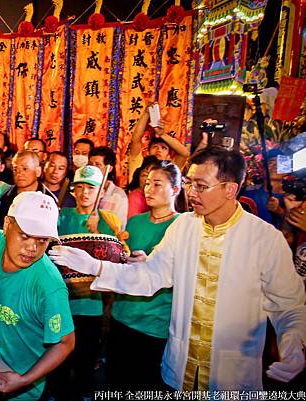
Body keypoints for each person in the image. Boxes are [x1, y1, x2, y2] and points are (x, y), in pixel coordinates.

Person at [49, 147, 306, 391]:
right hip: (180, 369)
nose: (192, 193)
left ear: (230, 189)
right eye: (189, 183)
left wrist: (294, 344)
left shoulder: (264, 239)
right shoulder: (184, 226)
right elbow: (150, 275)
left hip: (232, 375)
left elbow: (289, 305)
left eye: (201, 186)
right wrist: (94, 266)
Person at [0, 192, 75, 400]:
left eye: (42, 240)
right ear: (7, 225)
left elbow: (66, 342)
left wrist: (25, 379)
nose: (32, 248)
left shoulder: (49, 286)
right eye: (25, 236)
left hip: (17, 384)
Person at [106, 160, 187, 390]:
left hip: (154, 322)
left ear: (175, 189)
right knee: (115, 382)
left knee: (144, 385)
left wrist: (152, 263)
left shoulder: (183, 225)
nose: (149, 189)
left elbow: (183, 271)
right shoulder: (135, 222)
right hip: (122, 315)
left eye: (157, 184)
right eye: (148, 183)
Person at [50, 165, 120, 400]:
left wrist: (99, 229)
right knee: (58, 359)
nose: (85, 193)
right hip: (61, 301)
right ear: (73, 191)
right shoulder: (61, 216)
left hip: (91, 304)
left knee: (85, 358)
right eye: (79, 187)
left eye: (90, 188)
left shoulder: (109, 222)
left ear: (99, 193)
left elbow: (117, 261)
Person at [128, 104, 189, 184]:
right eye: (155, 146)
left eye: (164, 148)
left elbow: (185, 153)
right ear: (148, 152)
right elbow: (135, 139)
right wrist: (146, 113)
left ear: (168, 155)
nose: (159, 150)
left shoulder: (171, 169)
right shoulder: (139, 163)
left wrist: (162, 134)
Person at [0, 151, 57, 229]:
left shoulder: (48, 199)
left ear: (38, 171)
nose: (19, 173)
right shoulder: (6, 196)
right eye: (15, 169)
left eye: (25, 169)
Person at [89, 146, 128, 228]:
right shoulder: (83, 189)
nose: (93, 169)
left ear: (109, 168)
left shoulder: (118, 195)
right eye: (90, 164)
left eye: (98, 165)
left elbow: (119, 227)